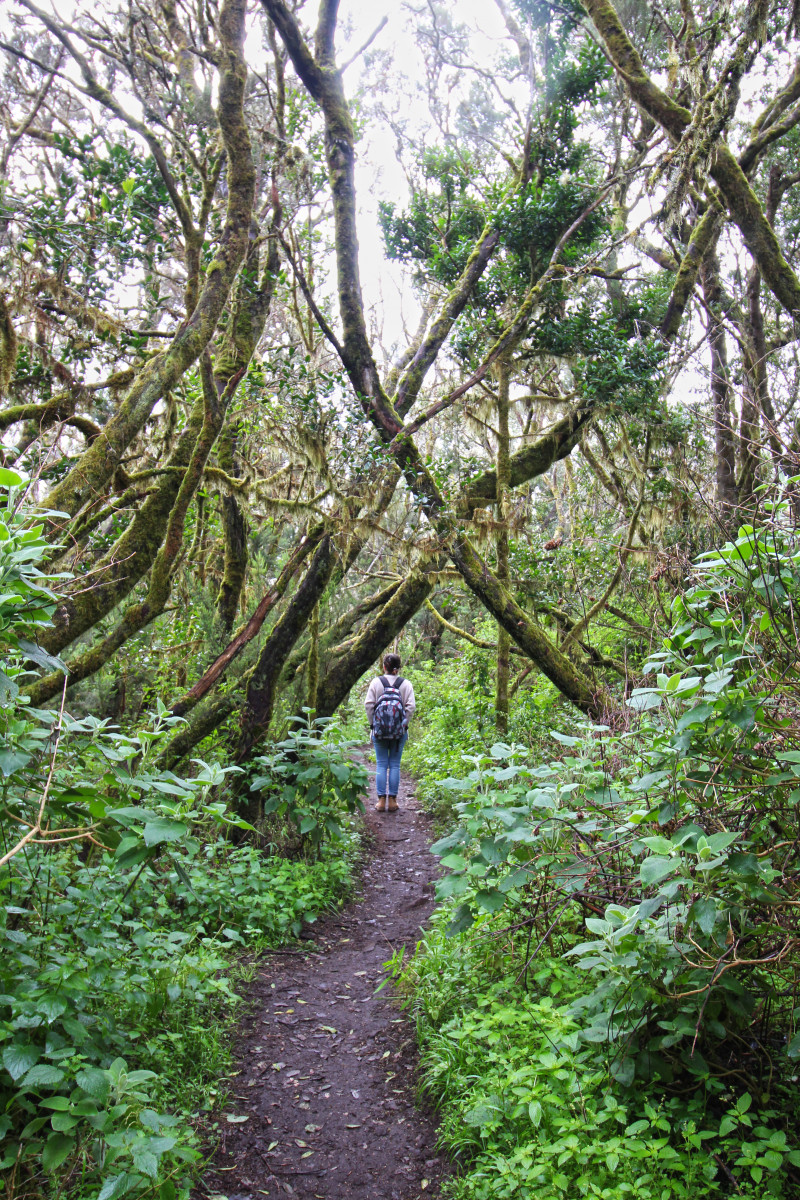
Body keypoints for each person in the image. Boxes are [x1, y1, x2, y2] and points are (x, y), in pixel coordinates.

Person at [364, 653, 416, 813]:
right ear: (398, 668)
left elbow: (368, 705)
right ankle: (393, 801)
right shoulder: (405, 684)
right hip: (399, 732)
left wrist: (373, 725)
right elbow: (411, 707)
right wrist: (403, 725)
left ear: (384, 667)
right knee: (394, 764)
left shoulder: (376, 682)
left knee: (381, 763)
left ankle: (381, 801)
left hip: (379, 732)